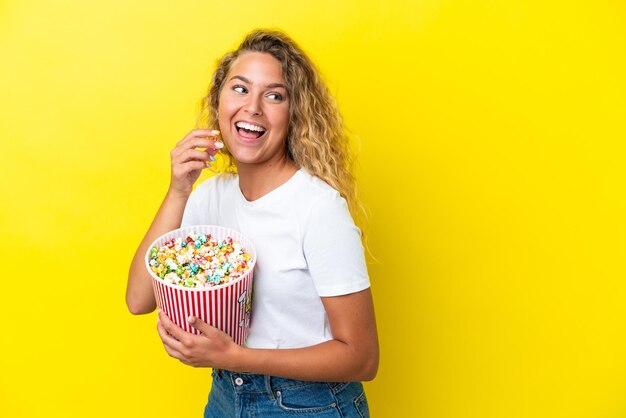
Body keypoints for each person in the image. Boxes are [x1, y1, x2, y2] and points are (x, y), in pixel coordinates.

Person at [126, 29, 378, 417]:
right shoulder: (209, 197)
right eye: (240, 89)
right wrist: (178, 190)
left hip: (310, 404)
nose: (253, 107)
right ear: (218, 101)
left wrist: (237, 356)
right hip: (228, 396)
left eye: (274, 95)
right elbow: (139, 300)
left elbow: (362, 359)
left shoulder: (318, 208)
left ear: (294, 115)